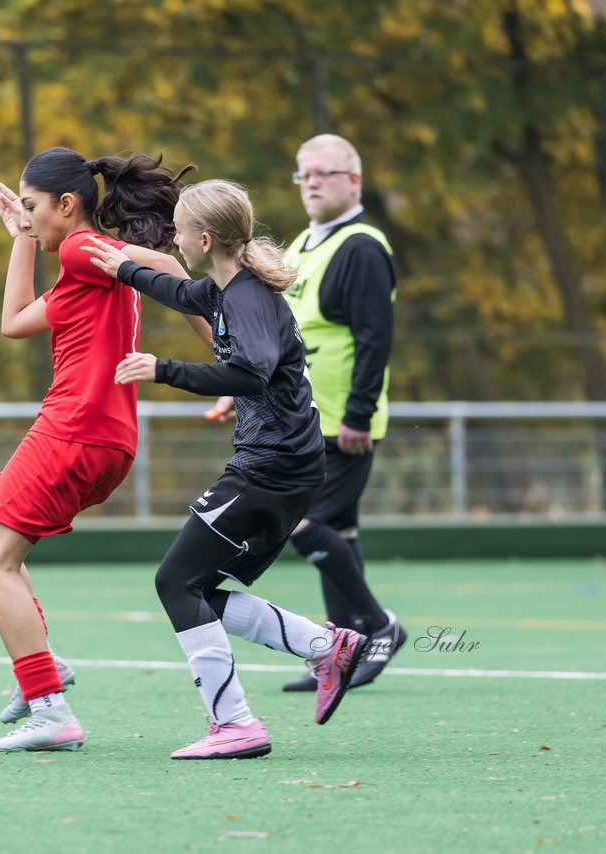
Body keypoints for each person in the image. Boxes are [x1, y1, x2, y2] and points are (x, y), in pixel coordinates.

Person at [82, 179, 368, 760]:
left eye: (180, 231)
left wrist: (163, 369)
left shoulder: (244, 299)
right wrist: (123, 269)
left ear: (205, 238)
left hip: (271, 470)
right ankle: (324, 645)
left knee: (174, 582)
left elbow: (252, 373)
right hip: (286, 468)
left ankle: (234, 723)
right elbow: (181, 292)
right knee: (198, 590)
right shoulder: (227, 287)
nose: (173, 239)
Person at [0, 146, 199, 754]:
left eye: (32, 206)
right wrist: (20, 236)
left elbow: (170, 267)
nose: (28, 216)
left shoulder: (83, 249)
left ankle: (50, 710)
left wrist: (224, 336)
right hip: (102, 441)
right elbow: (12, 321)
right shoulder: (78, 271)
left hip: (74, 431)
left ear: (68, 205)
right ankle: (46, 663)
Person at [207, 133, 406, 692]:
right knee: (336, 528)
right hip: (299, 419)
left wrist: (360, 416)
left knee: (304, 523)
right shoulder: (301, 245)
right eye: (304, 174)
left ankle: (377, 625)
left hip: (341, 422)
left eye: (325, 173)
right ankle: (340, 651)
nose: (313, 182)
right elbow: (271, 336)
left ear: (354, 181)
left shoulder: (362, 246)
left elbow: (374, 339)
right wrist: (239, 389)